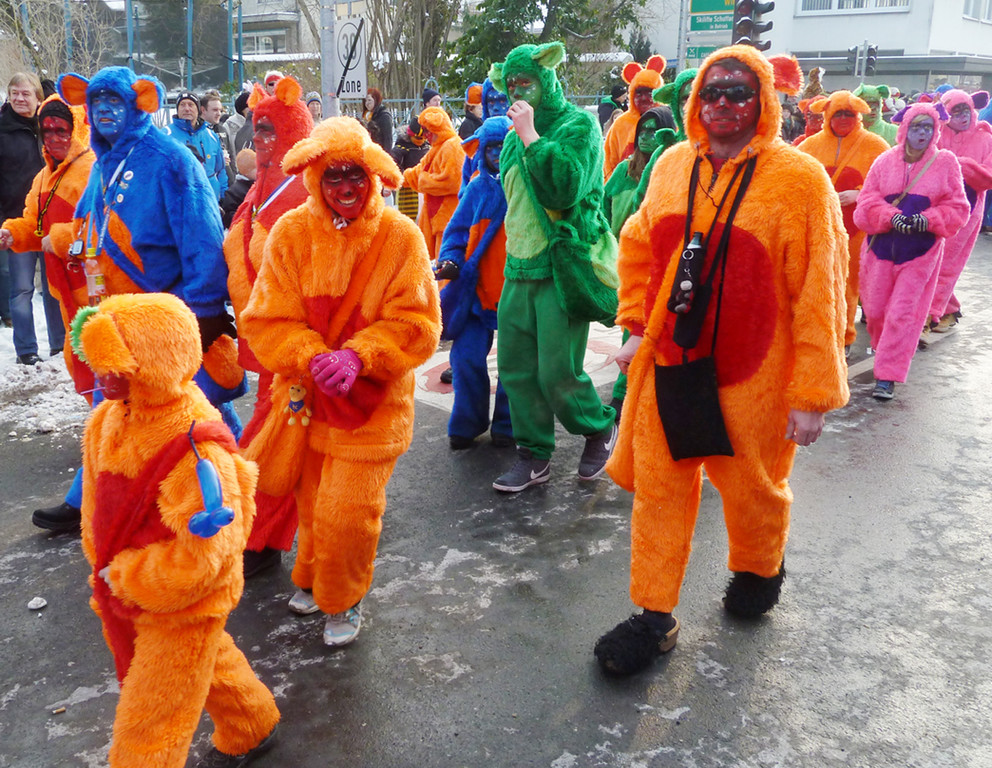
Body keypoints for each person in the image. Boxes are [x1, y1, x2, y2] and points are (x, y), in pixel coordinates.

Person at [594, 46, 850, 677]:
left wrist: (812, 394)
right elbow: (639, 247)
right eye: (711, 92)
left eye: (738, 92)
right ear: (694, 102)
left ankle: (760, 566)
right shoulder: (673, 165)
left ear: (764, 101)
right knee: (660, 491)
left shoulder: (799, 180)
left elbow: (820, 289)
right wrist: (636, 325)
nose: (722, 104)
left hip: (755, 373)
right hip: (672, 359)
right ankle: (654, 616)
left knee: (753, 488)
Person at [240, 117, 441, 646]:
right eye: (334, 176)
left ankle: (343, 596)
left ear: (373, 175)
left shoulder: (400, 236)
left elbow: (419, 324)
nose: (346, 186)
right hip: (307, 401)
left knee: (348, 512)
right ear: (315, 177)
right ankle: (312, 577)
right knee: (312, 503)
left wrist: (359, 356)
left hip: (373, 405)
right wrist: (310, 357)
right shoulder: (290, 233)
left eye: (355, 174)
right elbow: (265, 319)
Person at [73, 292, 280, 768]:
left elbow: (207, 558)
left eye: (115, 365)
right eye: (98, 363)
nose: (102, 376)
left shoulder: (195, 444)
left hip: (184, 601)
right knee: (209, 663)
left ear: (153, 361)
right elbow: (94, 502)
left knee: (151, 722)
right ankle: (253, 723)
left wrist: (128, 576)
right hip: (126, 585)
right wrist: (102, 561)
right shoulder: (106, 418)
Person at [58, 67, 246, 437]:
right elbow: (86, 226)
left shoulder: (170, 159)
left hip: (166, 315)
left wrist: (206, 310)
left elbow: (203, 236)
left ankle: (227, 466)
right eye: (96, 100)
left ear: (137, 103)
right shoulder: (100, 167)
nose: (104, 109)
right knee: (128, 419)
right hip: (116, 319)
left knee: (194, 418)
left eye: (114, 100)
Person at [487, 41, 619, 493]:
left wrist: (531, 136)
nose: (516, 92)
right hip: (518, 269)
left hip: (560, 267)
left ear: (546, 78)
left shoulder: (578, 125)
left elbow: (565, 189)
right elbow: (514, 207)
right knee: (516, 370)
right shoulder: (509, 139)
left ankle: (598, 427)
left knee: (558, 372)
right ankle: (533, 454)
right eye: (510, 84)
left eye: (525, 82)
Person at [223, 77, 313, 578]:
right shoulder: (259, 186)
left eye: (270, 130)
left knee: (277, 437)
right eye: (256, 130)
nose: (259, 139)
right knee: (274, 435)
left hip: (293, 346)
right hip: (263, 339)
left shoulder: (304, 188)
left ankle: (264, 535)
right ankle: (260, 530)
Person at [1, 94, 97, 533]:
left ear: (76, 130)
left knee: (109, 400)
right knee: (95, 392)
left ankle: (88, 495)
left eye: (62, 130)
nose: (54, 137)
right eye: (47, 131)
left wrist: (54, 240)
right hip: (68, 300)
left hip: (99, 297)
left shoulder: (91, 169)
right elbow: (33, 224)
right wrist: (13, 233)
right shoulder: (44, 177)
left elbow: (99, 229)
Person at [855, 102, 970, 401]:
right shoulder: (884, 161)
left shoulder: (945, 162)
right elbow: (866, 202)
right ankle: (884, 350)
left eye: (928, 127)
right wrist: (889, 216)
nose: (922, 133)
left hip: (921, 252)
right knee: (876, 312)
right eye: (916, 126)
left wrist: (927, 220)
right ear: (904, 129)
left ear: (936, 130)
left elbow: (959, 208)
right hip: (879, 250)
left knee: (902, 314)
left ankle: (887, 376)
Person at [435, 116, 513, 449]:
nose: (497, 154)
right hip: (475, 292)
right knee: (465, 359)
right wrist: (451, 260)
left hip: (515, 292)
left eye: (503, 147)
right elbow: (455, 233)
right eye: (491, 148)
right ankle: (468, 421)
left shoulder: (524, 184)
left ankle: (508, 424)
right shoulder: (477, 188)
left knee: (514, 364)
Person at [796, 91, 890, 355]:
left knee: (847, 283)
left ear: (858, 115)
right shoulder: (810, 146)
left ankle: (845, 336)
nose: (844, 118)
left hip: (856, 230)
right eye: (838, 113)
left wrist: (860, 194)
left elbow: (891, 183)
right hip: (816, 227)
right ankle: (813, 334)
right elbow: (792, 179)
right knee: (813, 279)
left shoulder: (875, 145)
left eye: (849, 113)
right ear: (827, 114)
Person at [602, 106, 677, 421]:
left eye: (653, 130)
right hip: (624, 261)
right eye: (642, 130)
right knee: (631, 325)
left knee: (640, 327)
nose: (646, 136)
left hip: (659, 262)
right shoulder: (623, 171)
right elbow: (603, 207)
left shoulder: (672, 167)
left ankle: (624, 395)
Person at [0, 72, 65, 365]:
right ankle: (26, 350)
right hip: (17, 221)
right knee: (21, 289)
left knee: (54, 286)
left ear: (38, 97)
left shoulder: (49, 127)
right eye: (14, 93)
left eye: (25, 93)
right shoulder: (2, 130)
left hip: (51, 222)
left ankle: (59, 345)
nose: (19, 98)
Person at [926, 89, 992, 333]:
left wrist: (956, 164)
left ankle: (931, 314)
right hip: (935, 207)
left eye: (967, 110)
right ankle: (949, 308)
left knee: (947, 263)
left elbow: (987, 178)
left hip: (968, 209)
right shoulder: (936, 133)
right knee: (929, 260)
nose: (963, 116)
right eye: (956, 111)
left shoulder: (985, 138)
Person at [402, 106, 465, 261]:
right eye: (423, 131)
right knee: (437, 264)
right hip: (437, 220)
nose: (425, 136)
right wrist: (398, 178)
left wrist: (424, 181)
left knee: (447, 264)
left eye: (427, 131)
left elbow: (453, 181)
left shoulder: (453, 145)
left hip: (449, 219)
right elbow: (419, 171)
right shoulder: (436, 149)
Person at [603, 55, 666, 180]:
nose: (644, 98)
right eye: (639, 93)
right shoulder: (621, 125)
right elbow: (609, 164)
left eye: (649, 92)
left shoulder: (669, 120)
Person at [163, 91, 228, 201]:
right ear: (177, 109)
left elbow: (221, 170)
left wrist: (223, 197)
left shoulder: (211, 136)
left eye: (191, 105)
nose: (187, 109)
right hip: (179, 201)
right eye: (182, 105)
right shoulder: (165, 136)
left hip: (210, 201)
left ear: (198, 109)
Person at [390, 116, 430, 221]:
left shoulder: (427, 146)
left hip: (425, 185)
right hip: (408, 189)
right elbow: (393, 164)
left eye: (424, 138)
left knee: (425, 217)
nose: (422, 141)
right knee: (408, 219)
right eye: (418, 138)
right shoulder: (401, 148)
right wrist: (403, 177)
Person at [219, 148, 256, 229]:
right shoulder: (234, 192)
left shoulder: (259, 185)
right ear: (247, 171)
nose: (259, 171)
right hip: (243, 229)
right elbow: (228, 216)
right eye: (256, 169)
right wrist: (247, 219)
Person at [362, 87, 393, 151]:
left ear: (376, 100)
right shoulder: (366, 116)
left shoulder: (384, 116)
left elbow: (388, 139)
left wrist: (385, 154)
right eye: (365, 101)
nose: (367, 103)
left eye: (369, 100)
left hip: (379, 151)